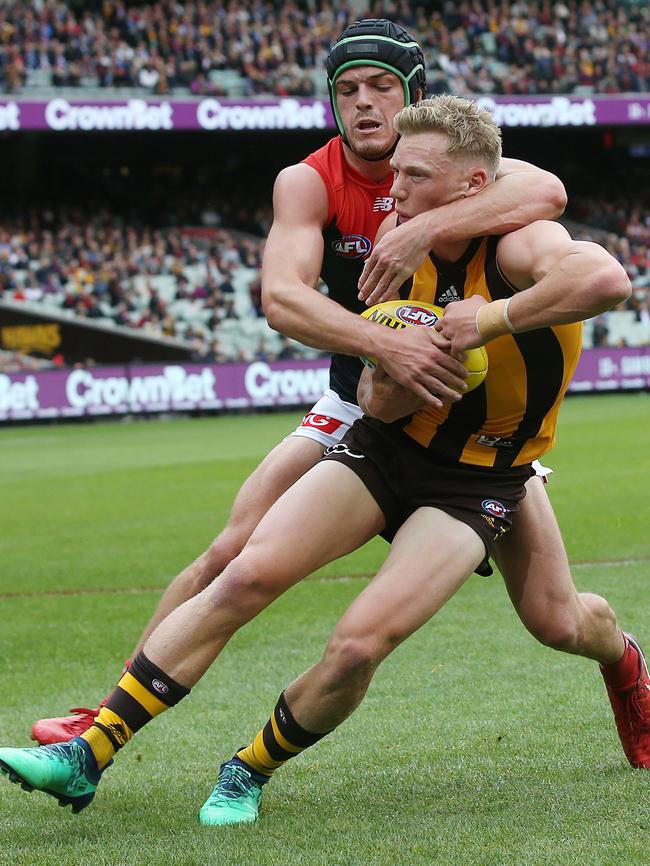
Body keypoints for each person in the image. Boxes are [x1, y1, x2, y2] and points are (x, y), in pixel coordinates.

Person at [1, 96, 646, 829]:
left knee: (369, 645)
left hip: (480, 479)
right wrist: (393, 368)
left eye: (413, 176)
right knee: (245, 571)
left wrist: (485, 320)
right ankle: (89, 752)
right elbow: (372, 397)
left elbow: (605, 281)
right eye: (394, 174)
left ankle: (248, 769)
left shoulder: (519, 244)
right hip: (388, 448)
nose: (392, 192)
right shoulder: (396, 245)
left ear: (472, 187)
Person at [30, 19, 569, 746]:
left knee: (555, 618)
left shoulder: (458, 163)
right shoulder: (309, 181)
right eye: (347, 90)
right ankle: (105, 717)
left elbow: (551, 191)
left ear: (412, 92)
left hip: (470, 426)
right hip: (360, 399)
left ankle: (624, 669)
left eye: (382, 86)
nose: (364, 103)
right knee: (232, 554)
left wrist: (411, 231)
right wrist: (384, 345)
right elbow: (282, 299)